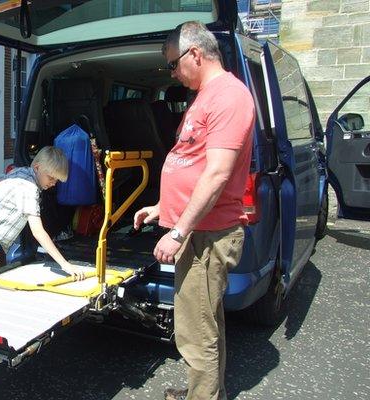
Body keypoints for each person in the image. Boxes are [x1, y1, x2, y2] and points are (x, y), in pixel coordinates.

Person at [133, 22, 255, 400]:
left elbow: (218, 173)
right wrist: (162, 207)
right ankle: (203, 391)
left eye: (173, 64)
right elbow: (193, 163)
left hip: (207, 235)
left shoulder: (229, 97)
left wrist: (178, 231)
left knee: (194, 329)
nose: (171, 73)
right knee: (204, 322)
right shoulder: (204, 96)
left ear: (195, 55)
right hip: (198, 229)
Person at [0, 146, 85, 280]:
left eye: (57, 180)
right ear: (37, 167)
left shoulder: (21, 172)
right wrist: (65, 264)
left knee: (2, 273)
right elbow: (38, 232)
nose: (53, 183)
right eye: (51, 177)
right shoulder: (29, 188)